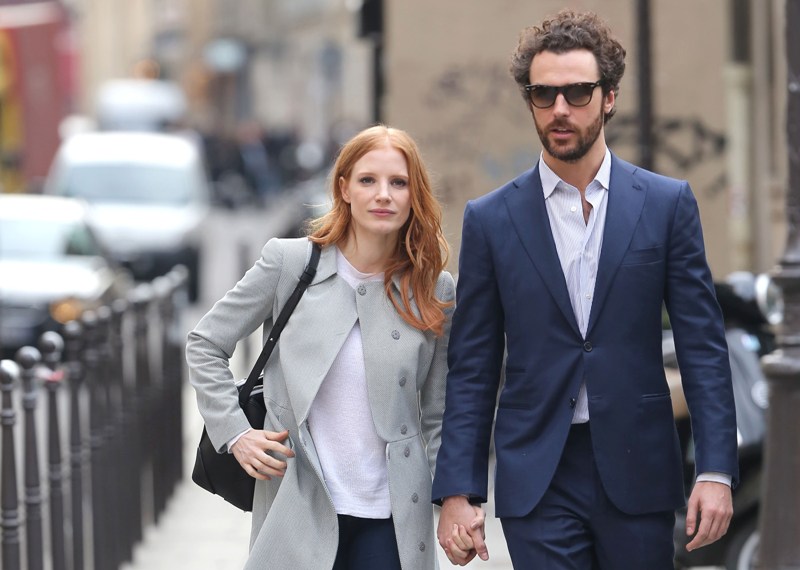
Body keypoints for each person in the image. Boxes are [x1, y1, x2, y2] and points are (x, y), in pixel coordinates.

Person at [431, 9, 738, 569]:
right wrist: (459, 490)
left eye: (577, 92)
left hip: (638, 466)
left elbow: (703, 346)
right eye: (544, 95)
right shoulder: (491, 219)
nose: (560, 109)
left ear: (609, 97)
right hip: (537, 474)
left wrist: (715, 470)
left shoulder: (667, 205)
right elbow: (472, 365)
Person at [186, 125, 475, 569]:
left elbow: (438, 414)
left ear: (414, 193)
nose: (383, 194)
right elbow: (205, 343)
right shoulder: (290, 263)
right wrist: (237, 434)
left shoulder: (434, 289)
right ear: (344, 188)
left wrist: (456, 502)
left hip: (392, 516)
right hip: (296, 508)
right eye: (368, 180)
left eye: (398, 182)